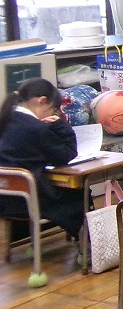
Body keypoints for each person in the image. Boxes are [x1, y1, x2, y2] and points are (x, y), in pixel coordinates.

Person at [0, 77, 83, 240]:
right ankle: (84, 246)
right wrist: (61, 124)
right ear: (42, 101)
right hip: (29, 203)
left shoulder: (5, 119)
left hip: (5, 200)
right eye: (53, 110)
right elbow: (67, 154)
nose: (52, 114)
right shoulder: (37, 128)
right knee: (81, 193)